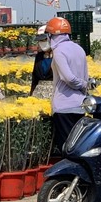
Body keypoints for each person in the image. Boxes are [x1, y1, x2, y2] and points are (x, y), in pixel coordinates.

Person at [45, 17, 89, 153]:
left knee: (67, 149)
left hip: (64, 107)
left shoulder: (58, 51)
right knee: (78, 147)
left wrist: (81, 84)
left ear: (51, 35)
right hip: (80, 105)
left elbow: (68, 77)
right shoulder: (79, 49)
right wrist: (84, 86)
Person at [30, 25, 54, 100]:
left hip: (54, 94)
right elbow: (35, 77)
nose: (41, 43)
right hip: (38, 95)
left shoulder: (59, 55)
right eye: (40, 41)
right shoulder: (39, 56)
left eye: (44, 40)